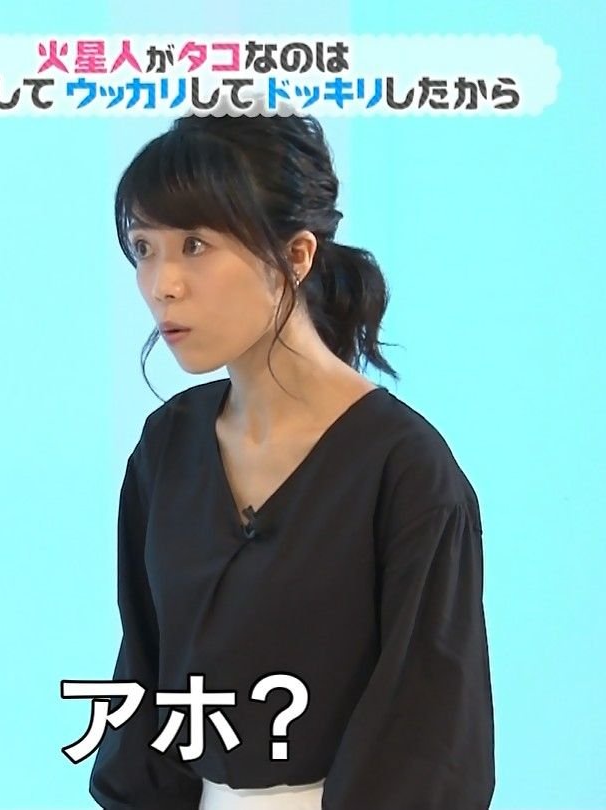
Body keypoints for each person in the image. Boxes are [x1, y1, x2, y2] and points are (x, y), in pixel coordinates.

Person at [88, 110, 495, 809]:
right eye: (144, 248)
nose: (162, 284)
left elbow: (429, 731)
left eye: (194, 245)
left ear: (296, 256)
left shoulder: (403, 469)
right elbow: (145, 671)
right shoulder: (168, 447)